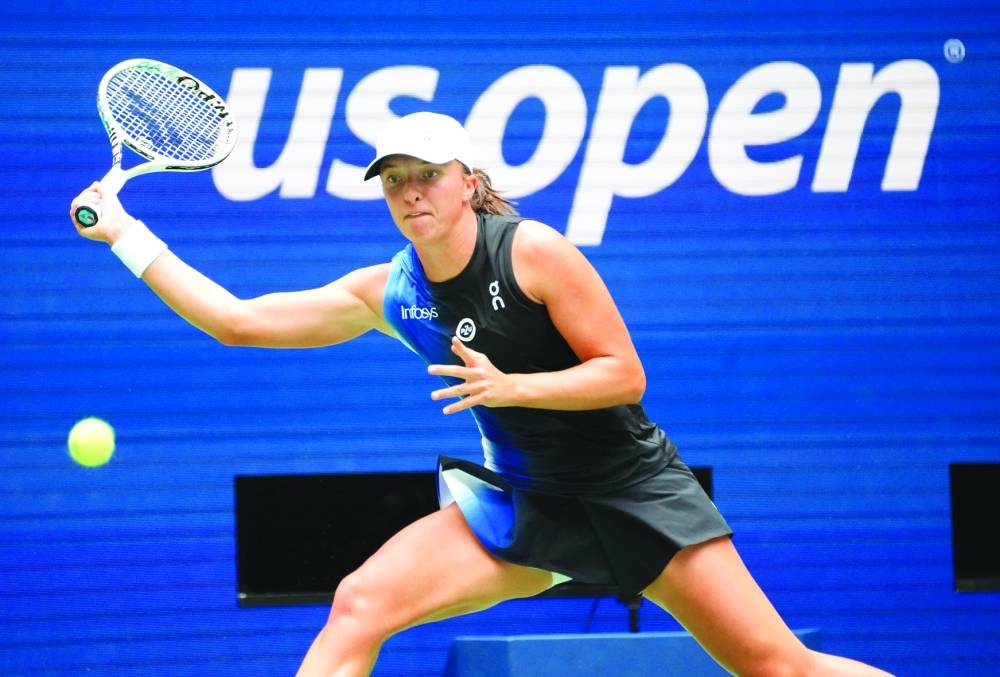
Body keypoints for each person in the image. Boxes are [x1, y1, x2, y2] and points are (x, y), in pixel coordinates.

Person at [70, 111, 892, 677]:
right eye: (394, 180)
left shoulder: (534, 252)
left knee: (778, 665)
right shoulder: (389, 291)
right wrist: (126, 235)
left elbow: (624, 373)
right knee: (359, 602)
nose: (410, 192)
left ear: (468, 183)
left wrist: (513, 385)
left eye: (427, 175)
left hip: (634, 492)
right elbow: (238, 321)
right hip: (526, 504)